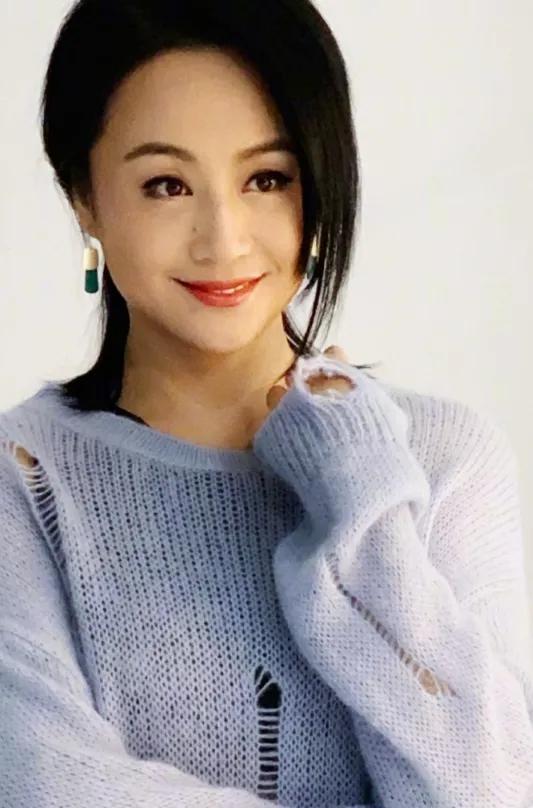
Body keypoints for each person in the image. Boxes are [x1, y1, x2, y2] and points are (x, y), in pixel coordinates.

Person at [1, 1, 533, 807]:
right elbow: (42, 785)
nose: (224, 239)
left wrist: (357, 491)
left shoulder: (439, 458)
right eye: (166, 184)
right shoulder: (23, 480)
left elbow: (491, 788)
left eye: (267, 179)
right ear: (84, 196)